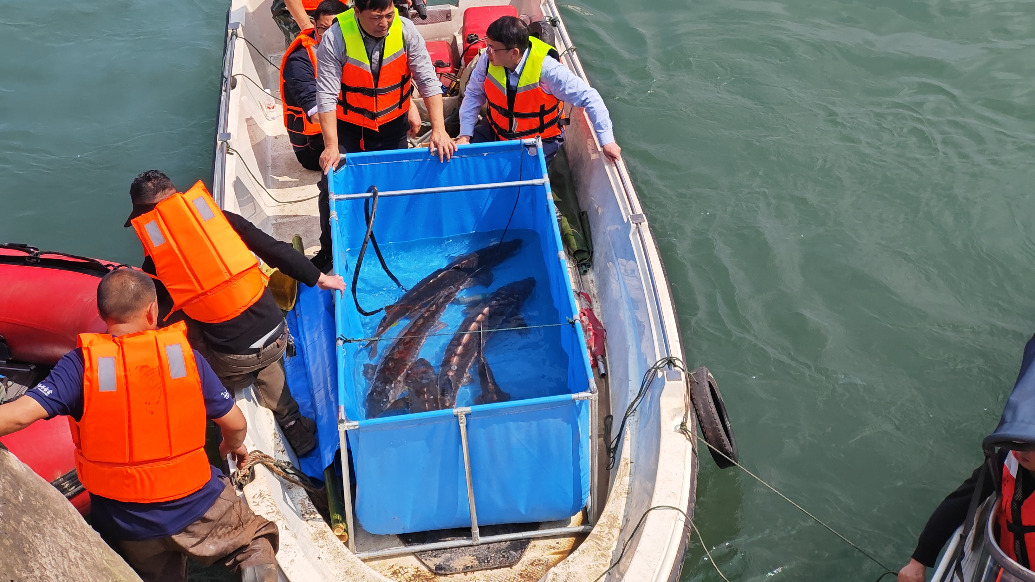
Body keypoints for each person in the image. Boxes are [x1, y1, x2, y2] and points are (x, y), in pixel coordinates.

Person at [0, 268, 279, 582]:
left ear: (103, 314)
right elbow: (235, 422)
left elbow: (20, 414)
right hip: (197, 505)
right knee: (255, 541)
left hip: (128, 524)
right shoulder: (183, 358)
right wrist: (232, 443)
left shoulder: (80, 366)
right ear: (152, 310)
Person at [124, 170, 347, 458]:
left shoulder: (156, 260)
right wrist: (319, 278)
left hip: (233, 359)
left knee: (184, 330)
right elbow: (274, 249)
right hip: (277, 336)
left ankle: (227, 415)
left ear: (145, 217)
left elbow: (160, 320)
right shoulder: (220, 218)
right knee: (257, 341)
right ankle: (292, 420)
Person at [310, 0, 456, 270]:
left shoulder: (406, 30)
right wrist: (331, 146)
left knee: (394, 185)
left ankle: (391, 243)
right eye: (376, 17)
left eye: (389, 15)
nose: (384, 23)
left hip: (391, 125)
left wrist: (439, 129)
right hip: (348, 128)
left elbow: (427, 79)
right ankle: (330, 248)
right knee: (331, 184)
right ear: (356, 12)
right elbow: (327, 95)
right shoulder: (335, 37)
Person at [455, 16, 622, 167]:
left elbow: (590, 97)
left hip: (538, 140)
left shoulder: (549, 71)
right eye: (487, 45)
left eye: (492, 48)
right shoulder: (487, 59)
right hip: (496, 129)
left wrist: (606, 141)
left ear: (514, 52)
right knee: (462, 161)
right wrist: (465, 135)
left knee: (517, 183)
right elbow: (474, 94)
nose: (487, 51)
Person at [280, 0, 349, 171]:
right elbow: (316, 114)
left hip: (347, 125)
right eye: (322, 29)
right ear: (314, 25)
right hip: (314, 145)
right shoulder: (299, 61)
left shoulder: (354, 45)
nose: (328, 36)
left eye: (335, 30)